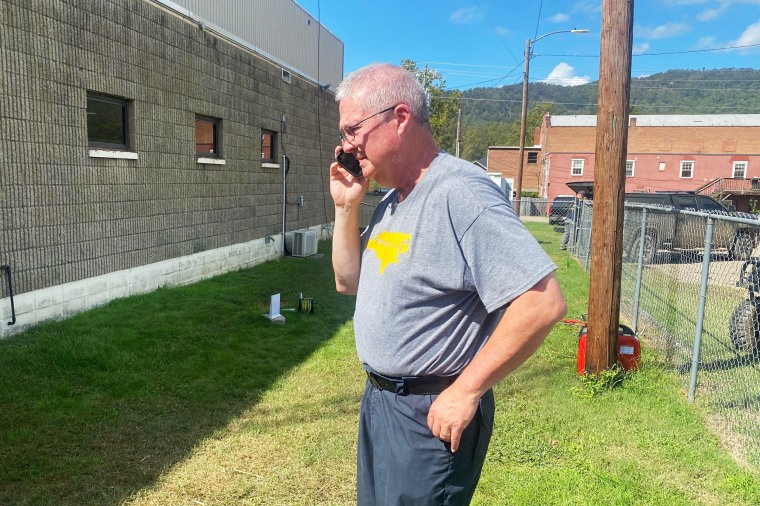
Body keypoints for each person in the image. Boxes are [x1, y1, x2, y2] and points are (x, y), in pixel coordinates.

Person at [329, 63, 567, 506]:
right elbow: (347, 281)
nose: (346, 146)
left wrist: (466, 391)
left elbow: (542, 301)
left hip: (430, 414)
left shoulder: (461, 191)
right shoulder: (391, 201)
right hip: (381, 404)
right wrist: (346, 208)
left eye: (352, 129)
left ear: (399, 118)